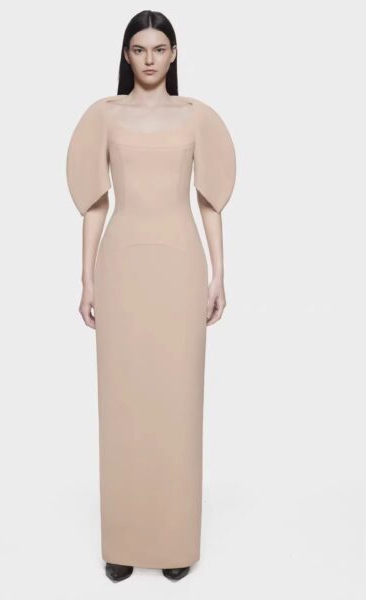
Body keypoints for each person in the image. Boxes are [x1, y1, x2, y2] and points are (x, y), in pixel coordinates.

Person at [66, 10, 236, 583]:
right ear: (126, 54)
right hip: (121, 268)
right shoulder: (103, 115)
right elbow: (95, 203)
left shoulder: (197, 117)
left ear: (174, 54)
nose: (149, 59)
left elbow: (210, 200)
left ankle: (173, 542)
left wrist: (219, 273)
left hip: (180, 266)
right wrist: (87, 278)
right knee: (122, 404)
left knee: (177, 403)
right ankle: (123, 541)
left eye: (159, 49)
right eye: (139, 49)